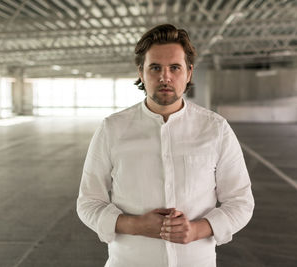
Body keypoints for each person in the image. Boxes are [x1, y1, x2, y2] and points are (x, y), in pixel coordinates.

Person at [77, 24, 254, 267]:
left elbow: (241, 202)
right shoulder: (112, 129)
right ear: (141, 72)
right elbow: (88, 202)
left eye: (174, 68)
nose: (165, 77)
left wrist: (197, 230)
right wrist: (136, 225)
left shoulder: (215, 129)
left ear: (189, 73)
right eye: (155, 68)